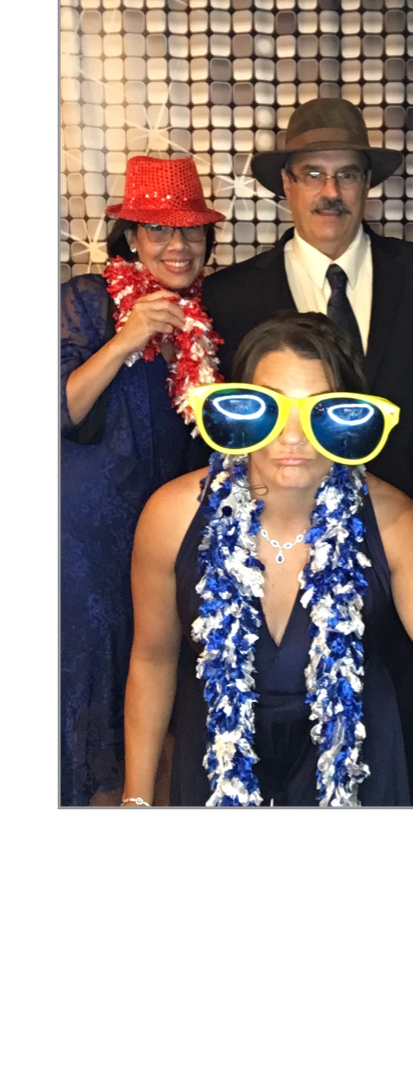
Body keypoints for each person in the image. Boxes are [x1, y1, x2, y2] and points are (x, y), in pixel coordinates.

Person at [203, 95, 413, 804]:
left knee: (400, 749)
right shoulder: (229, 294)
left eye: (347, 174)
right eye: (312, 173)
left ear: (367, 183)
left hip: (402, 563)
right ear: (287, 184)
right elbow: (223, 428)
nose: (330, 191)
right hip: (275, 571)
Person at [119, 314, 413, 806]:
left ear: (352, 418)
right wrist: (135, 801)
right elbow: (152, 661)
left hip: (355, 780)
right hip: (214, 774)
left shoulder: (392, 521)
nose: (293, 435)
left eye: (320, 410)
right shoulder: (171, 516)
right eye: (269, 407)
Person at [60, 156, 221, 805]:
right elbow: (56, 410)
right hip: (90, 548)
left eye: (191, 230)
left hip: (169, 540)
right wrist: (126, 339)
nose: (177, 246)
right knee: (94, 701)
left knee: (167, 690)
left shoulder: (208, 318)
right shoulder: (89, 300)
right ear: (131, 237)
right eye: (158, 230)